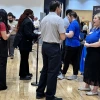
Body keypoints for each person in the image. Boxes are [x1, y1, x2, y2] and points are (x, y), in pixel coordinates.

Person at [36, 1, 66, 100]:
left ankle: (40, 92)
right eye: (60, 8)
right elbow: (62, 37)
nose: (61, 10)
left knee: (45, 69)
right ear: (57, 8)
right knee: (53, 72)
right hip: (54, 47)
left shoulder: (44, 18)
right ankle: (50, 96)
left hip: (44, 45)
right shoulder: (59, 19)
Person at [13, 9, 39, 80]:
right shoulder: (27, 21)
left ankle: (26, 72)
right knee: (24, 59)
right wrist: (36, 35)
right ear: (30, 14)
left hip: (22, 42)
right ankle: (23, 75)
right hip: (24, 43)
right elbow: (28, 34)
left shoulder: (25, 20)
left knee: (24, 58)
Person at [78, 13, 100, 96]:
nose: (93, 20)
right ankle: (87, 85)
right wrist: (86, 42)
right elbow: (88, 37)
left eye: (95, 18)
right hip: (89, 52)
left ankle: (95, 90)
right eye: (93, 18)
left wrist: (89, 45)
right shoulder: (93, 29)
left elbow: (99, 43)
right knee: (88, 69)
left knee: (95, 70)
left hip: (97, 53)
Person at [58, 11, 81, 80]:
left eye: (68, 17)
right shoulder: (76, 23)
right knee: (75, 60)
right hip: (76, 45)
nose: (68, 19)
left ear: (72, 16)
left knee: (66, 60)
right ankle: (74, 75)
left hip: (71, 45)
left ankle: (63, 74)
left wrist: (63, 33)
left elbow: (71, 35)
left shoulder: (73, 24)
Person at [0, 9, 10, 90]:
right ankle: (2, 85)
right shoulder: (2, 24)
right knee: (2, 65)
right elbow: (5, 37)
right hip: (1, 45)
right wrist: (10, 32)